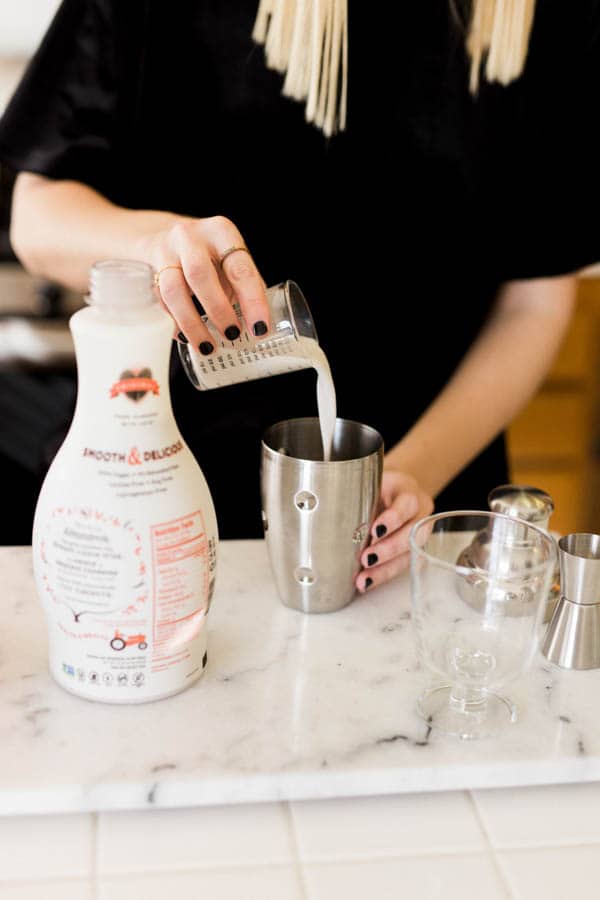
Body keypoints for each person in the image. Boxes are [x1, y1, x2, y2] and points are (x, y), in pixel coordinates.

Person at [0, 0, 597, 591]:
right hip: (161, 497)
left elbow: (534, 303)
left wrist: (414, 472)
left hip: (418, 521)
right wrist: (152, 244)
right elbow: (38, 215)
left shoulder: (535, 15)